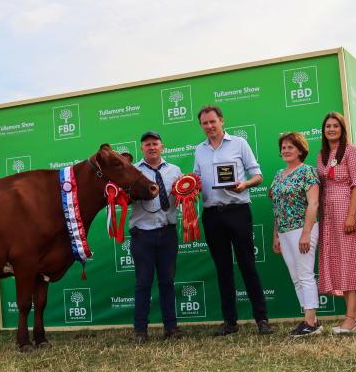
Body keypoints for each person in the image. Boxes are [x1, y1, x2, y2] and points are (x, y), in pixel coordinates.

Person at [193, 104, 273, 336]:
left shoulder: (239, 143)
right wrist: (187, 187)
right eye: (205, 123)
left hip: (238, 211)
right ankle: (230, 322)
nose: (209, 126)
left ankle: (262, 319)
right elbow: (196, 179)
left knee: (248, 265)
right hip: (212, 214)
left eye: (212, 121)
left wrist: (245, 184)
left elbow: (258, 175)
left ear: (222, 121)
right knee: (223, 269)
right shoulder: (199, 150)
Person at [317, 112, 356, 334]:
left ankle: (350, 318)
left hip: (347, 210)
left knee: (350, 261)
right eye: (328, 126)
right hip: (328, 214)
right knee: (338, 261)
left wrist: (351, 215)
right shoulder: (322, 155)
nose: (331, 129)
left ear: (342, 129)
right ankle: (353, 316)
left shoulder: (352, 151)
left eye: (335, 126)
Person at [128, 131, 183, 343]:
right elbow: (125, 198)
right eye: (147, 144)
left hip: (168, 232)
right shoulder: (133, 171)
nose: (152, 147)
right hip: (142, 234)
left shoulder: (174, 171)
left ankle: (171, 328)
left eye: (155, 143)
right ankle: (140, 330)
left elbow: (182, 196)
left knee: (167, 282)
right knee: (143, 283)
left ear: (162, 146)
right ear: (141, 148)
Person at [269, 132, 321, 337]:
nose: (286, 150)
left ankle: (310, 322)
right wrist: (276, 235)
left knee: (305, 275)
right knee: (296, 277)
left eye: (290, 147)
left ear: (300, 150)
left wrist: (306, 234)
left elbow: (313, 204)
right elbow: (277, 207)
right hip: (284, 232)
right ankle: (310, 321)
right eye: (283, 147)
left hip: (302, 229)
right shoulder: (278, 174)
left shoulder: (307, 171)